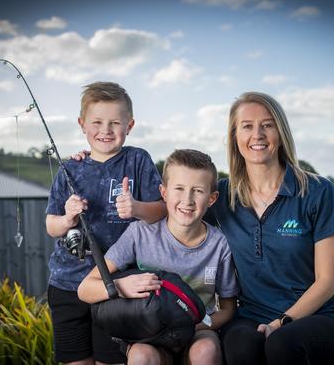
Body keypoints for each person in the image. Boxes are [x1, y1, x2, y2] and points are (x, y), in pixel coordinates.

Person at [205, 92, 334, 364]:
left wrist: (282, 321)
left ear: (280, 133)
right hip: (249, 315)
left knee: (282, 345)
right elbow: (178, 215)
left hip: (315, 319)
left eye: (267, 125)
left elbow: (327, 282)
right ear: (235, 136)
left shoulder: (317, 191)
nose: (257, 134)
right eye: (247, 126)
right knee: (239, 346)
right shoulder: (222, 196)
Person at [78, 149, 239, 365]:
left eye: (198, 191)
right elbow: (85, 289)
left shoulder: (219, 244)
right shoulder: (139, 234)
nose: (187, 199)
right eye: (179, 189)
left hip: (197, 331)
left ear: (212, 198)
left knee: (206, 350)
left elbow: (228, 309)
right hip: (150, 334)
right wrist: (122, 286)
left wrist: (188, 326)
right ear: (163, 193)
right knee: (141, 356)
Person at [46, 81, 167, 365]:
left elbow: (162, 210)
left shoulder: (138, 160)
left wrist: (137, 208)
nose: (106, 131)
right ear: (82, 124)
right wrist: (67, 219)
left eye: (115, 122)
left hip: (118, 284)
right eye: (97, 122)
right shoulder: (69, 168)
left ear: (130, 124)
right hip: (67, 284)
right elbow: (51, 225)